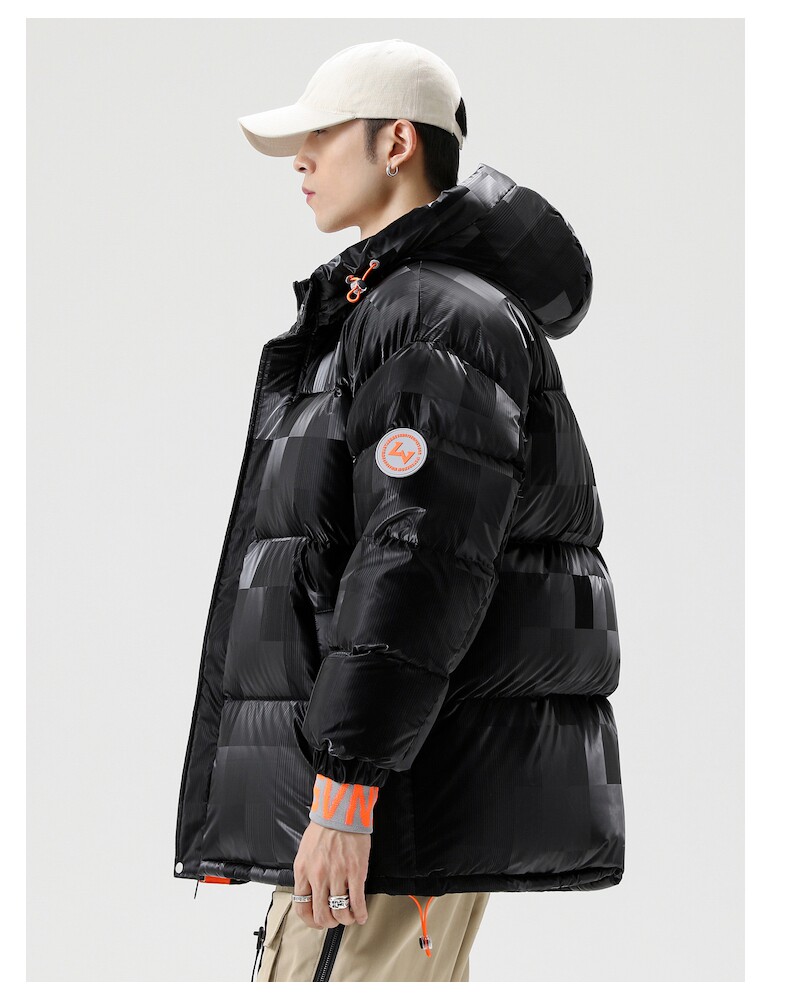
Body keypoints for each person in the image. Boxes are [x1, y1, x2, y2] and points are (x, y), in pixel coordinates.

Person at [174, 38, 626, 983]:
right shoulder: (397, 307)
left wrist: (346, 791)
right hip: (392, 798)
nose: (300, 160)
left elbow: (417, 561)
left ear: (396, 144)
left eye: (322, 134)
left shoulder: (429, 315)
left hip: (388, 810)